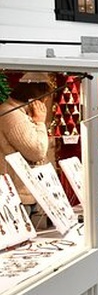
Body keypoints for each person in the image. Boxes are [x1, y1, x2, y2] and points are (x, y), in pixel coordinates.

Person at [0, 73, 51, 210]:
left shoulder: (19, 112)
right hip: (18, 194)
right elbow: (37, 151)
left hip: (26, 191)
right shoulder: (12, 114)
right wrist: (40, 123)